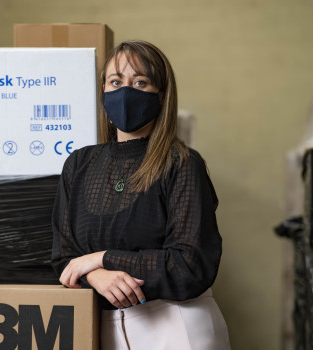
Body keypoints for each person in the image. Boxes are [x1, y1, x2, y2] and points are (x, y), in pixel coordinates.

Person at [51, 40, 230, 350]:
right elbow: (64, 259)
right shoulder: (79, 164)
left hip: (177, 326)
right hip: (101, 329)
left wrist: (101, 259)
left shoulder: (182, 162)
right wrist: (96, 277)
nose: (126, 91)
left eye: (140, 82)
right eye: (116, 82)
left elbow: (190, 265)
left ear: (161, 95)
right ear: (103, 91)